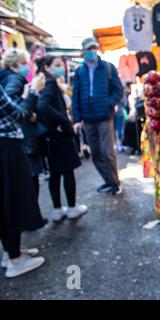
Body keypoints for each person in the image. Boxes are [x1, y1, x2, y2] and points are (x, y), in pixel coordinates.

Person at [0, 74, 47, 278]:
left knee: (6, 201)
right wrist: (34, 91)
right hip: (7, 148)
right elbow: (21, 114)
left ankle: (11, 252)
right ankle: (15, 260)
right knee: (13, 201)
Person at [36, 55, 88, 222]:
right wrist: (63, 120)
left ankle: (58, 209)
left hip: (52, 137)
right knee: (67, 172)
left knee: (55, 174)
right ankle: (72, 208)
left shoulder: (45, 83)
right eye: (57, 65)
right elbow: (43, 106)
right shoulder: (50, 84)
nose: (61, 68)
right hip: (59, 137)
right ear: (47, 67)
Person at [72, 38, 124, 195]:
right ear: (83, 51)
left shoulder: (108, 67)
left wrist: (109, 103)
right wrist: (76, 119)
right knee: (95, 153)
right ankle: (108, 180)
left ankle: (115, 183)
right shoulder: (79, 72)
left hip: (104, 117)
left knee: (107, 152)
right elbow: (76, 96)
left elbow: (118, 89)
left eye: (94, 47)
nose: (92, 51)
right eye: (89, 48)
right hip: (88, 119)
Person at [0, 49, 47, 199]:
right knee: (30, 179)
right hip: (22, 136)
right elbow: (13, 105)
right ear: (15, 65)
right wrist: (29, 108)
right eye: (25, 63)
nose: (27, 67)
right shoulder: (15, 79)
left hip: (16, 137)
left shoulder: (7, 77)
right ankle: (31, 218)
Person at [114, 82, 131, 153]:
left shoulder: (121, 93)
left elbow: (124, 103)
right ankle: (117, 145)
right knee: (116, 129)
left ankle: (119, 145)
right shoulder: (119, 92)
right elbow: (125, 103)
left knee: (119, 129)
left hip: (119, 113)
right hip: (113, 113)